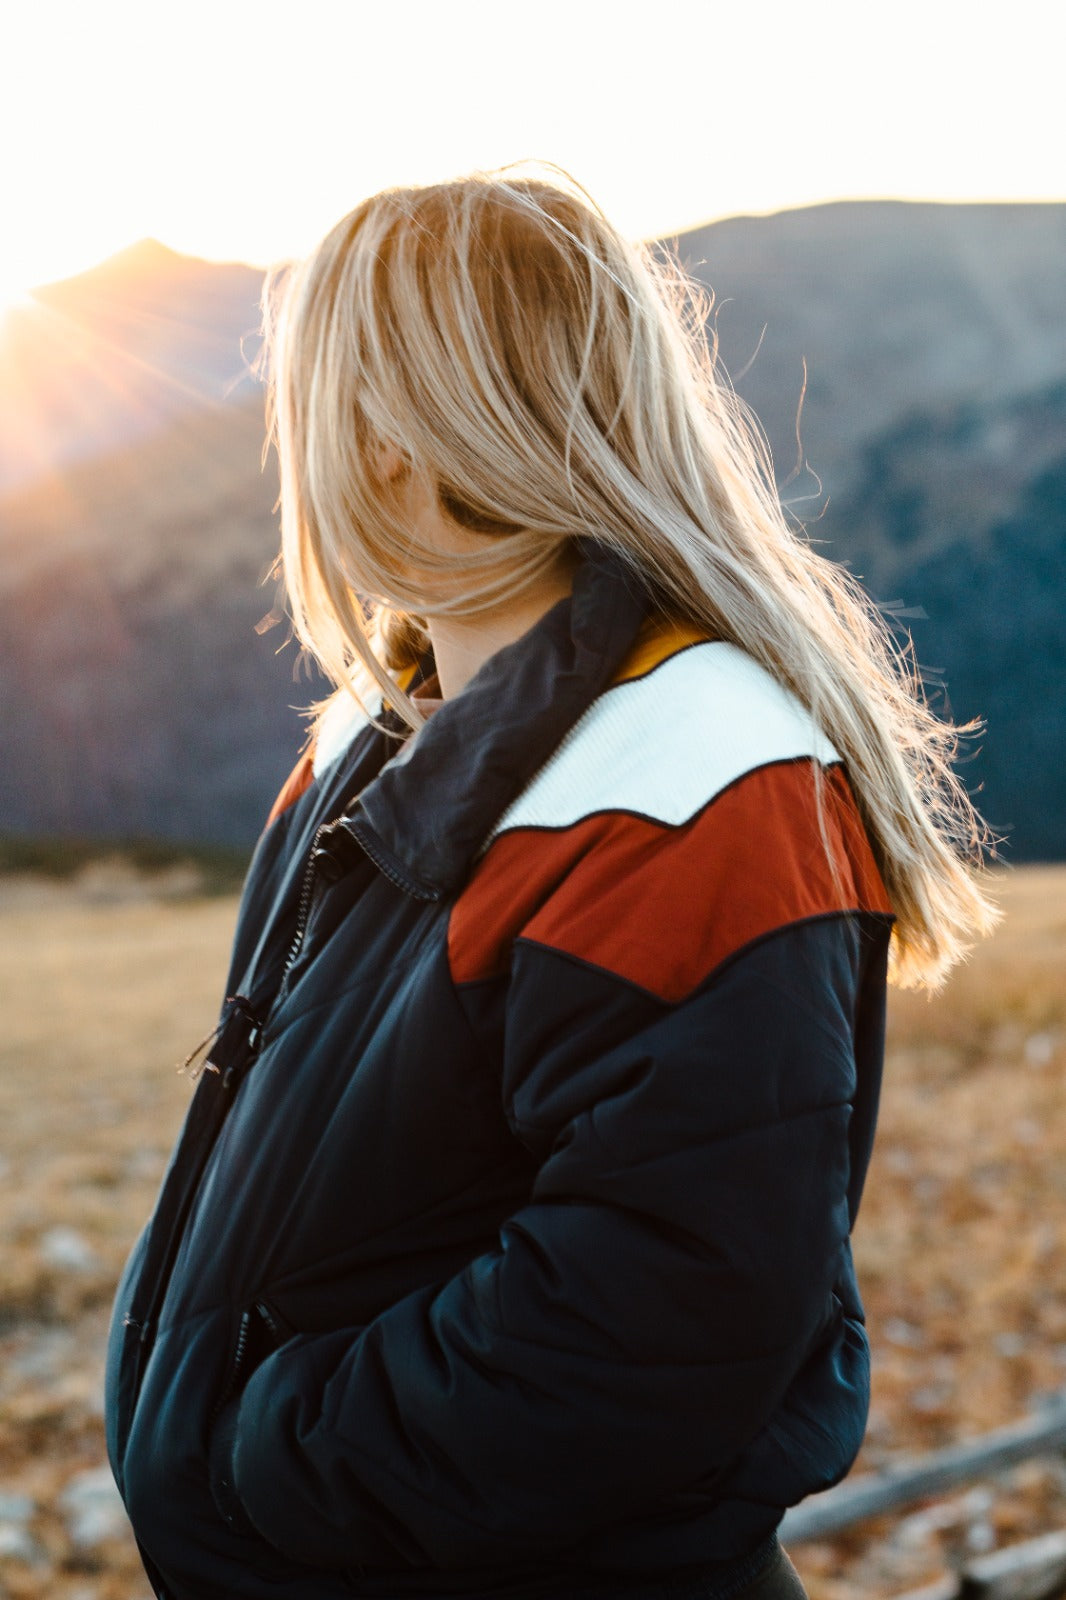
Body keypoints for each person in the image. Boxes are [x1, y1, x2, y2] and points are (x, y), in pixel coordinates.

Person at [105, 167, 997, 1600]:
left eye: (316, 405)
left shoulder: (691, 778)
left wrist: (260, 1457)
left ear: (393, 444)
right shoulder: (365, 737)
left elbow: (659, 1306)